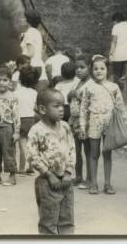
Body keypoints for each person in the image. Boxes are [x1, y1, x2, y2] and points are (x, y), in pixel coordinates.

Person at [26, 88, 75, 235]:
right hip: (47, 183)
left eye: (63, 105)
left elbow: (72, 149)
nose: (62, 109)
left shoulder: (65, 127)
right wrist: (48, 174)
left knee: (67, 220)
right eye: (56, 106)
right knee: (48, 222)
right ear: (42, 109)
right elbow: (32, 155)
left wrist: (68, 172)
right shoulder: (36, 130)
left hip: (66, 181)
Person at [79, 55, 126, 195]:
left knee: (107, 154)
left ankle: (107, 183)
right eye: (95, 69)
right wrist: (82, 126)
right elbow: (83, 107)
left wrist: (125, 124)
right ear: (91, 70)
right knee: (94, 154)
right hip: (94, 122)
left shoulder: (114, 87)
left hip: (109, 123)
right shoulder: (89, 88)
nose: (99, 71)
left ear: (107, 70)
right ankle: (93, 183)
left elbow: (120, 107)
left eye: (102, 68)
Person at [68, 53, 93, 188]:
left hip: (85, 121)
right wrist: (71, 94)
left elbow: (90, 101)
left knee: (87, 150)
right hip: (74, 119)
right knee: (76, 150)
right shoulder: (77, 82)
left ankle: (89, 178)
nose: (78, 70)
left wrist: (76, 95)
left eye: (82, 67)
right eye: (76, 67)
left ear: (89, 67)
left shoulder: (91, 84)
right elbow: (69, 97)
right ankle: (78, 176)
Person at [15, 66, 40, 175]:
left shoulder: (16, 93)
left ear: (20, 79)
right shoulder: (35, 93)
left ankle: (21, 168)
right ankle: (30, 167)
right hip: (31, 120)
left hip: (20, 120)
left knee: (22, 145)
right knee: (31, 145)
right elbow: (36, 107)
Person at [20, 10, 48, 90]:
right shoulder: (36, 32)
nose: (22, 20)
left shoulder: (30, 32)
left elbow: (30, 54)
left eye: (23, 18)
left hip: (31, 68)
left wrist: (17, 62)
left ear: (28, 20)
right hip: (38, 66)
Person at [108, 12, 127, 84]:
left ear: (116, 20)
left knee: (117, 76)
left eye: (113, 22)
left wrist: (111, 53)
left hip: (118, 54)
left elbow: (114, 41)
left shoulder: (116, 27)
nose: (113, 24)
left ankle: (117, 92)